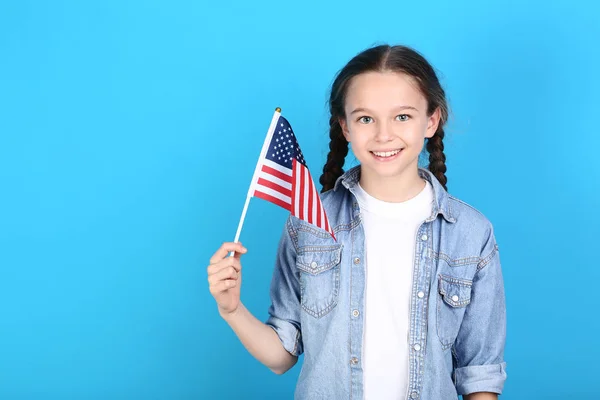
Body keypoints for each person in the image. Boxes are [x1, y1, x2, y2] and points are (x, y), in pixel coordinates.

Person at [207, 44, 507, 400]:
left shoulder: (471, 233)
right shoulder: (309, 223)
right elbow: (281, 357)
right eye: (366, 118)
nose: (383, 135)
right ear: (345, 126)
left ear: (431, 120)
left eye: (402, 117)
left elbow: (480, 373)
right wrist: (232, 309)